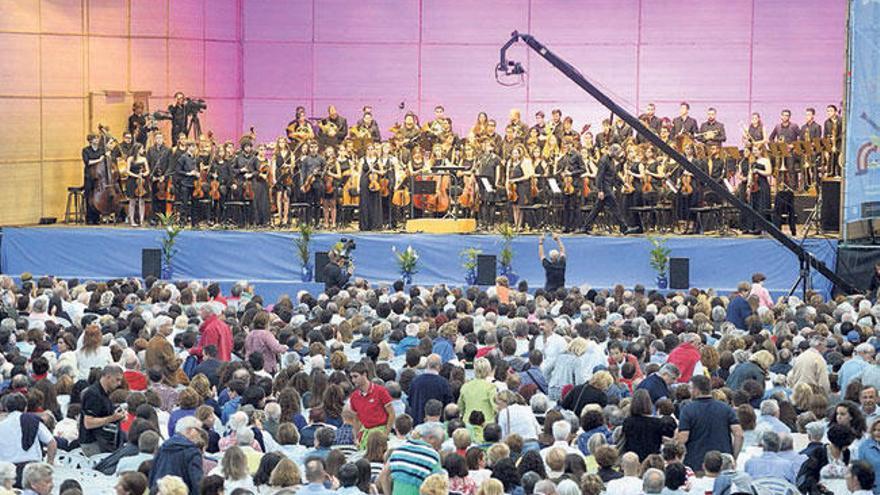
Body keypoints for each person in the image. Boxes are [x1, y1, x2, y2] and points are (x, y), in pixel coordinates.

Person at [675, 375, 743, 471]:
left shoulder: (687, 410)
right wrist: (733, 456)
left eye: (690, 388)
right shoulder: (725, 408)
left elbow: (683, 438)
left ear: (696, 390)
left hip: (696, 462)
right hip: (722, 461)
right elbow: (739, 434)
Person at [0, 393, 56, 487]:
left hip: (9, 472)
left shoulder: (1, 425)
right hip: (33, 470)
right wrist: (49, 464)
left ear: (6, 408)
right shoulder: (32, 421)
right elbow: (52, 443)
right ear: (25, 407)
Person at [581, 144, 634, 235]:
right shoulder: (604, 160)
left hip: (608, 186)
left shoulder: (611, 160)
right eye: (617, 153)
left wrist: (624, 183)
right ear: (613, 151)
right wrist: (600, 190)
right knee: (615, 207)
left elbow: (614, 174)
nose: (619, 155)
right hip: (605, 188)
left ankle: (585, 227)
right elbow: (599, 176)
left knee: (597, 208)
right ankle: (624, 227)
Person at [148, 416, 206, 495]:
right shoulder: (192, 451)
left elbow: (153, 473)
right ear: (189, 430)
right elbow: (197, 482)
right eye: (198, 430)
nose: (200, 435)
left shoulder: (163, 447)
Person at [79, 365, 127, 456]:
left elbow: (102, 413)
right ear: (108, 377)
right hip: (92, 442)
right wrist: (112, 418)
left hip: (104, 440)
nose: (119, 383)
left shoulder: (105, 393)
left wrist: (118, 415)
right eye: (117, 379)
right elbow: (88, 423)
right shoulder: (93, 394)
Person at [349, 361, 395, 449]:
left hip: (379, 432)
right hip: (365, 432)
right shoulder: (354, 396)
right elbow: (356, 419)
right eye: (351, 377)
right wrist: (356, 437)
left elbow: (392, 414)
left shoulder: (381, 391)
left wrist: (386, 433)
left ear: (364, 374)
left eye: (355, 376)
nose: (353, 380)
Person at [407, 354, 453, 426]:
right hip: (437, 425)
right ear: (439, 366)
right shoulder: (443, 383)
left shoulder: (415, 381)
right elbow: (449, 405)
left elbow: (410, 401)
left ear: (427, 365)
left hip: (418, 422)